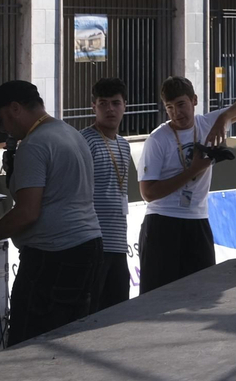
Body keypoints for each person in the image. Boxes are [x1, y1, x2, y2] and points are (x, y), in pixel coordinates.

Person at [0, 82, 104, 345]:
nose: (3, 129)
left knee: (29, 340)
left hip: (53, 257)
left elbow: (27, 212)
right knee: (69, 340)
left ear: (15, 109)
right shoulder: (69, 132)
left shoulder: (35, 143)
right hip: (86, 246)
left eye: (2, 120)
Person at [138, 77, 236, 288]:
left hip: (198, 219)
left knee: (203, 291)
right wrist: (194, 170)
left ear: (194, 100)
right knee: (157, 296)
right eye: (169, 108)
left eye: (181, 105)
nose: (177, 113)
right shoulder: (157, 139)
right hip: (163, 221)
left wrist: (224, 118)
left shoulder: (207, 123)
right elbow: (148, 193)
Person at [81, 78, 133, 308]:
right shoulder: (85, 141)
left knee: (118, 308)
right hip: (93, 244)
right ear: (94, 107)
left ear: (125, 106)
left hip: (118, 243)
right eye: (103, 103)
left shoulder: (124, 144)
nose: (110, 109)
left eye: (115, 103)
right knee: (90, 309)